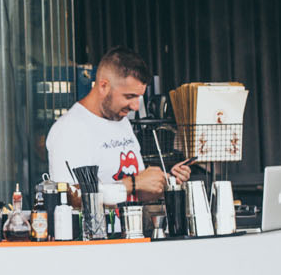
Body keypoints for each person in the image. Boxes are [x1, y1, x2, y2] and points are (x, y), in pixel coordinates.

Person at [46, 47, 190, 203]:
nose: (136, 106)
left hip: (133, 218)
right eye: (129, 96)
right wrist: (132, 183)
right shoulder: (69, 129)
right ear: (104, 86)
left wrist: (165, 182)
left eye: (139, 97)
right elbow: (69, 196)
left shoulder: (121, 120)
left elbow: (139, 192)